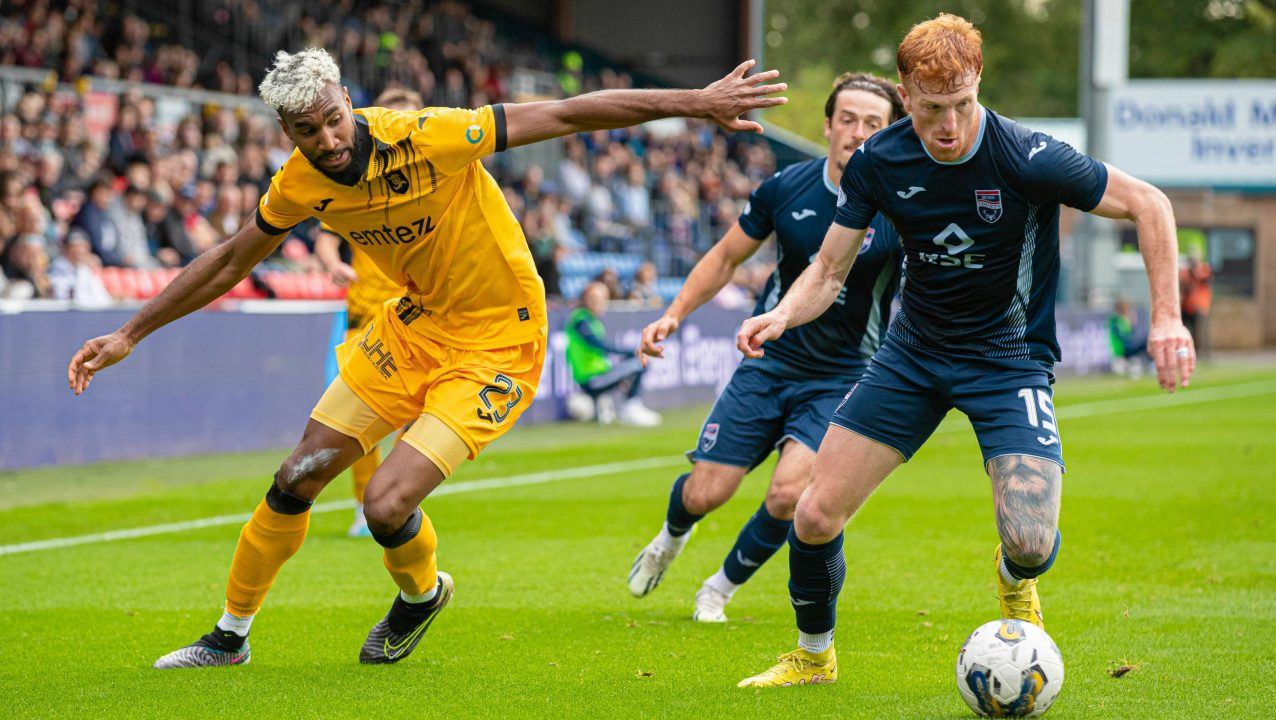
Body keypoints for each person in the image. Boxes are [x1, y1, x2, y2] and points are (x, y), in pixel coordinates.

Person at [67, 47, 785, 669]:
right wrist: (131, 332)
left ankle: (420, 595)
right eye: (306, 132)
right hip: (413, 329)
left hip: (500, 340)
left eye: (332, 120)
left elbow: (567, 114)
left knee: (385, 504)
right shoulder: (299, 182)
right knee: (297, 475)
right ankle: (230, 637)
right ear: (287, 132)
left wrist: (696, 102)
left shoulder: (431, 134)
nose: (326, 140)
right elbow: (228, 261)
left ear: (348, 101)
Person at [734, 14, 1195, 687]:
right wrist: (781, 312)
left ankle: (1014, 583)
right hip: (912, 354)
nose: (948, 126)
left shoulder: (1025, 154)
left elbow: (1149, 204)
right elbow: (830, 272)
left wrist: (1167, 319)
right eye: (930, 110)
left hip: (1008, 358)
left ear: (978, 85)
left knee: (1031, 543)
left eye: (962, 105)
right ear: (904, 92)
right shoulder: (877, 161)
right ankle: (813, 655)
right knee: (812, 513)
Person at [627, 72, 904, 622]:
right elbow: (726, 257)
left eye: (873, 123)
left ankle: (719, 589)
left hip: (844, 375)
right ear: (827, 126)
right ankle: (670, 537)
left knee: (787, 494)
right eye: (847, 119)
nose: (857, 132)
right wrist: (673, 314)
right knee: (706, 493)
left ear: (888, 135)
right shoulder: (787, 188)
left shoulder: (902, 207)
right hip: (768, 361)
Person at [311, 86, 419, 539]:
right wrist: (333, 263)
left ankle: (396, 499)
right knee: (361, 422)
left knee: (419, 421)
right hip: (365, 319)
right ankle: (363, 506)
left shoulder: (434, 179)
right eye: (396, 116)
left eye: (413, 118)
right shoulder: (356, 181)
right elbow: (325, 235)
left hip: (418, 321)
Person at [566, 281, 662, 426]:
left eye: (604, 299)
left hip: (600, 374)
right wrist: (629, 352)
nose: (600, 303)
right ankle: (630, 408)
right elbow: (596, 343)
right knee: (640, 363)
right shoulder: (580, 319)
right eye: (596, 299)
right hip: (592, 379)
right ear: (585, 299)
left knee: (632, 365)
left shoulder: (592, 320)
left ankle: (625, 407)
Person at [1179, 249, 1212, 358]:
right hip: (1186, 307)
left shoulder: (1204, 270)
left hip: (1199, 307)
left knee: (1201, 332)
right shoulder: (1185, 272)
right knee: (1186, 331)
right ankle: (1188, 352)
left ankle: (1203, 354)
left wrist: (1194, 272)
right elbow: (1182, 284)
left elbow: (1204, 280)